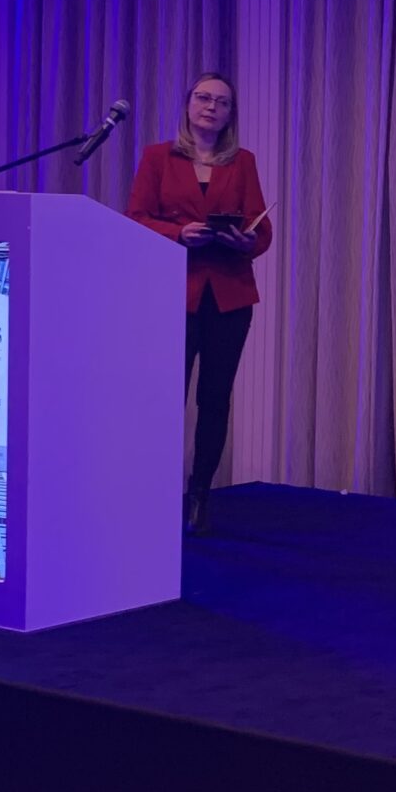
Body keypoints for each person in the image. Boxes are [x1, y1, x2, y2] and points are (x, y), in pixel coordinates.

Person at [127, 73, 272, 536]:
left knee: (215, 397)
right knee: (166, 398)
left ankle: (200, 495)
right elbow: (136, 218)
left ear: (231, 115)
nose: (211, 107)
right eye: (204, 98)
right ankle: (153, 492)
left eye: (222, 102)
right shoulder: (158, 157)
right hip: (174, 292)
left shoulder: (243, 161)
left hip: (229, 295)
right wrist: (178, 233)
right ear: (188, 105)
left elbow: (262, 229)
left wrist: (247, 241)